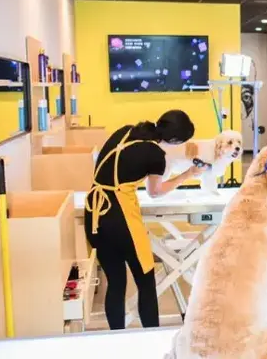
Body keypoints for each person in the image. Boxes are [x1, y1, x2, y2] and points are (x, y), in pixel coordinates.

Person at [84, 109, 207, 330]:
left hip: (95, 213)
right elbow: (155, 191)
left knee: (116, 282)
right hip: (121, 218)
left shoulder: (125, 131)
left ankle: (116, 338)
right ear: (175, 140)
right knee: (146, 283)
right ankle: (152, 337)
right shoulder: (156, 155)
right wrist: (187, 175)